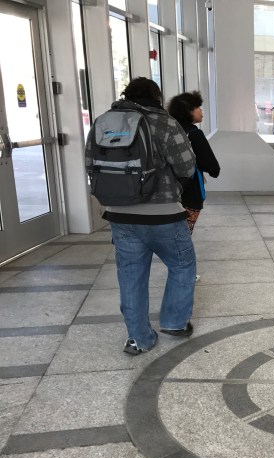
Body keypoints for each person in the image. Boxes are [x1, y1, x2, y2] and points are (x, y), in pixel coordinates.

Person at [84, 77, 197, 355]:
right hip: (164, 214)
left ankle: (138, 338)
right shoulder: (165, 123)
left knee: (131, 275)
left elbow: (90, 164)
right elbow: (187, 166)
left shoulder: (103, 122)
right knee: (182, 266)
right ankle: (174, 322)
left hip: (120, 215)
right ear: (157, 98)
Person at [166, 91, 221, 234]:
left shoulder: (169, 131)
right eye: (198, 107)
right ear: (188, 110)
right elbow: (213, 168)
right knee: (182, 236)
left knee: (170, 234)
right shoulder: (194, 134)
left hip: (167, 192)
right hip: (190, 195)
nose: (201, 110)